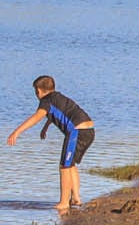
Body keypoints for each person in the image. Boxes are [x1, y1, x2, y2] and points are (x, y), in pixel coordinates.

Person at [7, 75, 94, 212]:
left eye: (36, 92)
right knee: (70, 164)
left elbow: (36, 117)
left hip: (76, 131)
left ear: (39, 91)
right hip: (88, 130)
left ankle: (64, 202)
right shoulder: (57, 97)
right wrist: (46, 127)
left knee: (64, 166)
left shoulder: (45, 102)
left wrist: (16, 132)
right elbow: (60, 112)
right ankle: (76, 198)